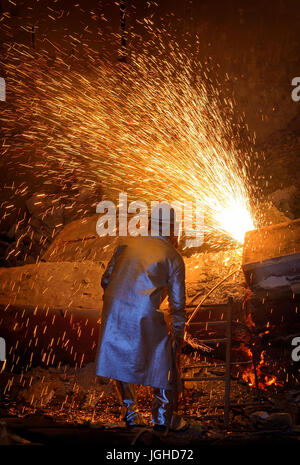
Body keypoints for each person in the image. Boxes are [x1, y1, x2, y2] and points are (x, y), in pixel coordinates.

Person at [95, 206, 186, 431]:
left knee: (117, 356)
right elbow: (178, 305)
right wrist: (177, 336)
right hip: (142, 311)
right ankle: (162, 418)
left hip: (112, 308)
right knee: (162, 356)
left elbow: (106, 280)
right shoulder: (172, 256)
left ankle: (132, 414)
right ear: (173, 229)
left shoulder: (126, 245)